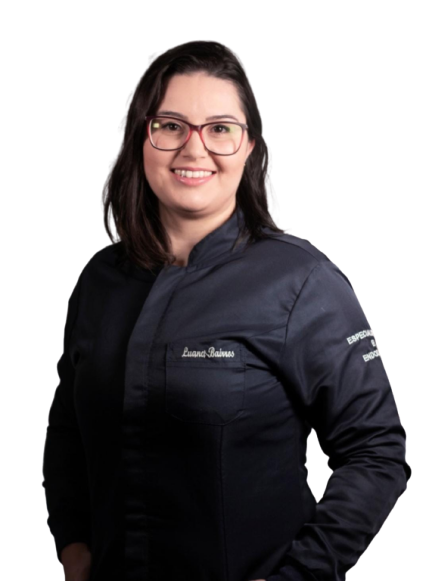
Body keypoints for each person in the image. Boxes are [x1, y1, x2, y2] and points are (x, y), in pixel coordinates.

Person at [42, 39, 411, 581]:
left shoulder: (301, 281)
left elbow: (377, 451)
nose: (194, 149)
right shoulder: (100, 280)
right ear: (141, 138)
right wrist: (73, 545)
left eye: (219, 128)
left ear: (249, 147)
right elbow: (68, 428)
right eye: (171, 126)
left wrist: (302, 574)